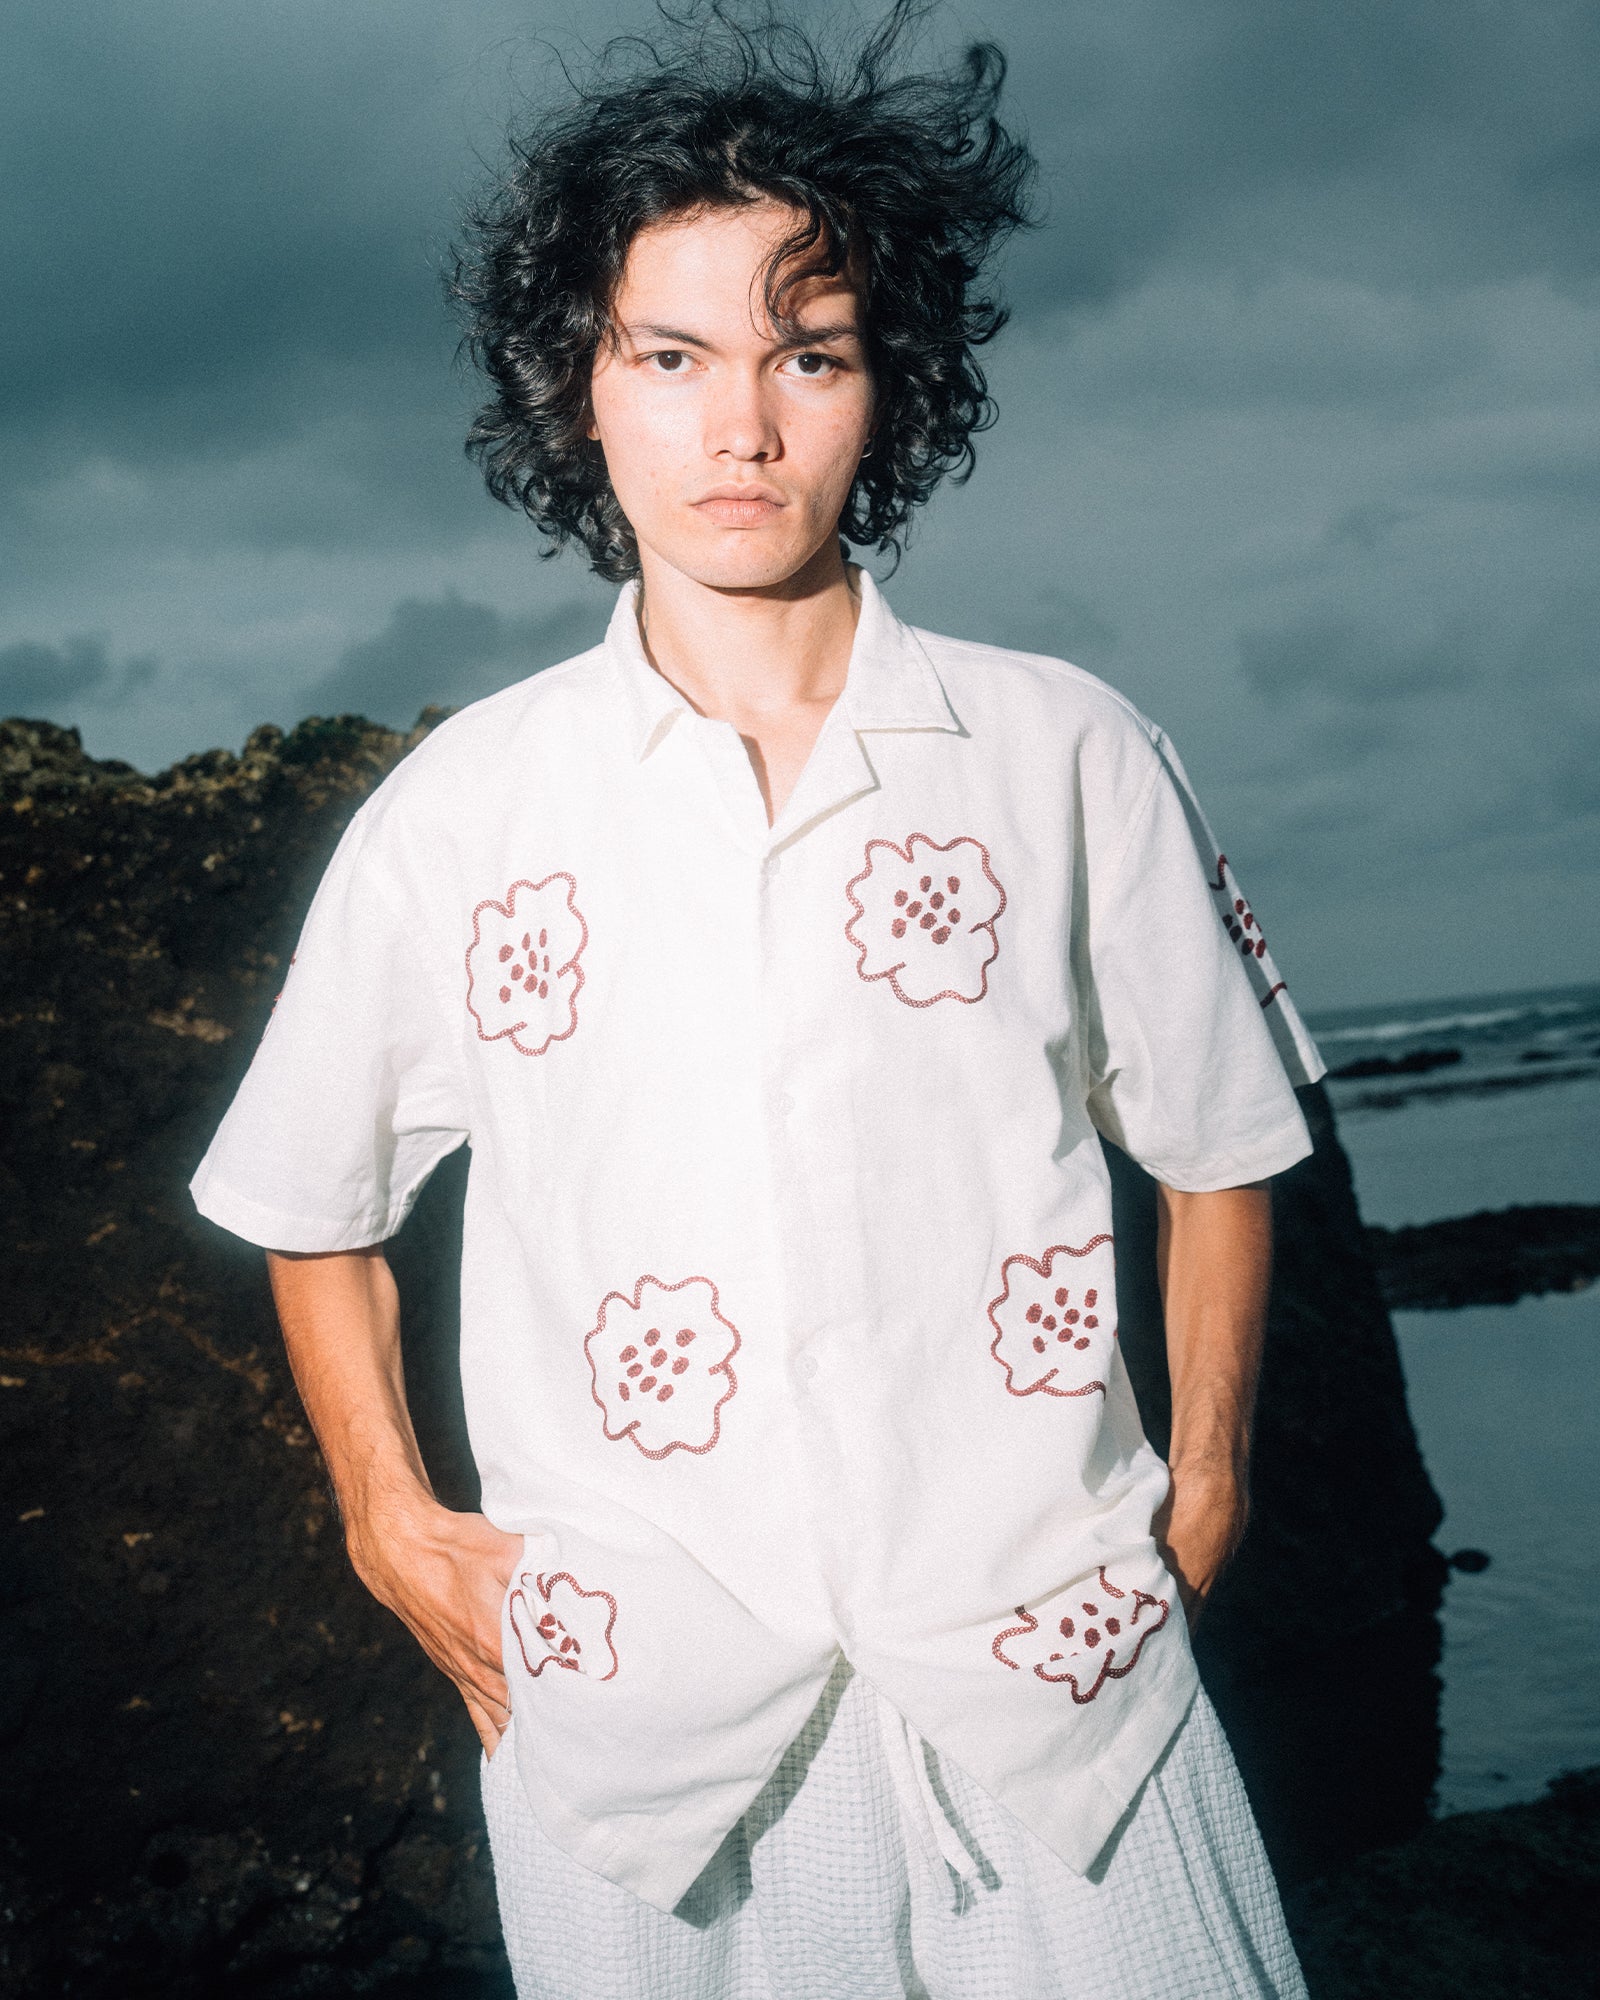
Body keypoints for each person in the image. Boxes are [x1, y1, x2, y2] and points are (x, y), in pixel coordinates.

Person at [191, 7, 1325, 1994]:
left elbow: (1219, 1142)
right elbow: (311, 1196)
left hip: (1054, 1672)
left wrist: (1205, 1487)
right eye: (671, 358)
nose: (741, 427)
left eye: (806, 355)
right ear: (585, 391)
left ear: (888, 387)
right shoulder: (460, 816)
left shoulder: (1065, 751)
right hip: (645, 1730)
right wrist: (384, 1512)